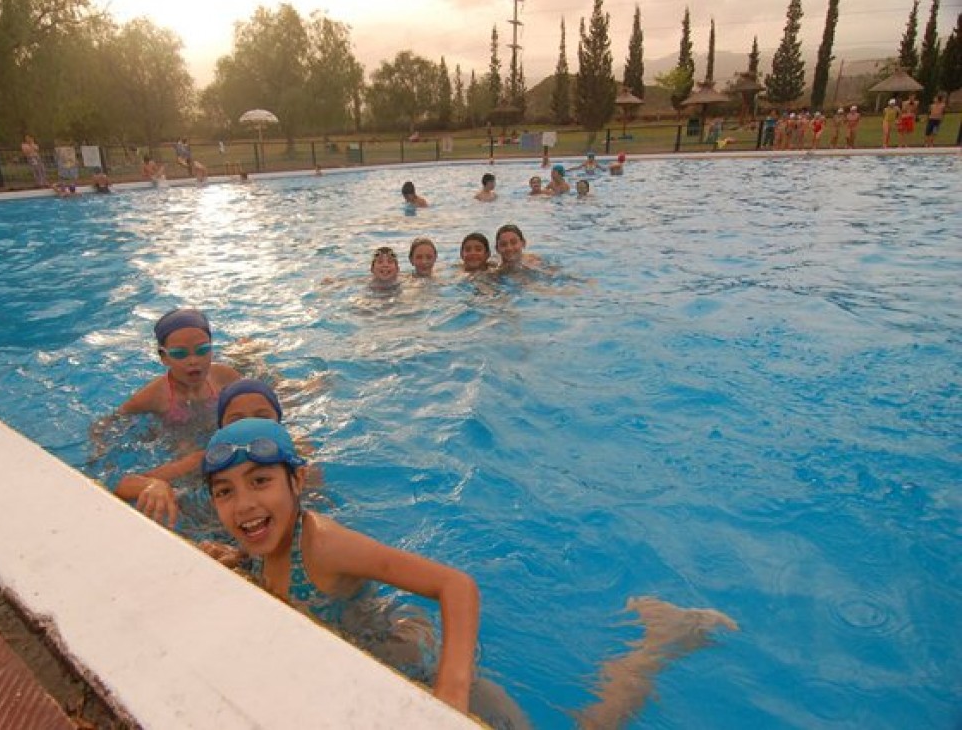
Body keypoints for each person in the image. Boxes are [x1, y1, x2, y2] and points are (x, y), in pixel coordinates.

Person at [205, 419, 738, 726]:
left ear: (297, 484)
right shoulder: (257, 540)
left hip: (418, 671)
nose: (244, 504)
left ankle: (659, 641)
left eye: (260, 481)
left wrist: (450, 695)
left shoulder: (322, 544)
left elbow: (456, 584)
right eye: (225, 491)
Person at [114, 379, 293, 535]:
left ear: (279, 421)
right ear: (221, 427)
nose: (249, 425)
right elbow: (123, 487)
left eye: (262, 417)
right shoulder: (205, 459)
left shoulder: (293, 460)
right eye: (236, 420)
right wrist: (153, 485)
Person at [117, 308, 243, 426]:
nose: (193, 361)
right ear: (164, 357)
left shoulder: (225, 376)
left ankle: (242, 349)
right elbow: (110, 424)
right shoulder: (153, 396)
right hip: (181, 442)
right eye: (180, 354)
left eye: (202, 350)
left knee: (246, 360)